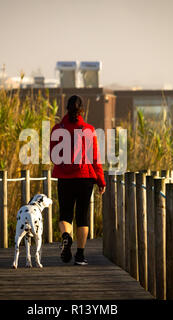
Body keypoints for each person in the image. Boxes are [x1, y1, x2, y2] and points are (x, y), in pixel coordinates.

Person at [50, 95, 106, 266]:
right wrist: (101, 180)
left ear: (66, 109)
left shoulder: (57, 129)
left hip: (65, 179)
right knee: (82, 216)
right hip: (85, 178)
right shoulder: (88, 130)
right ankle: (80, 256)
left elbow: (53, 155)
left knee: (65, 214)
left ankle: (66, 236)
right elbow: (95, 158)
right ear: (82, 110)